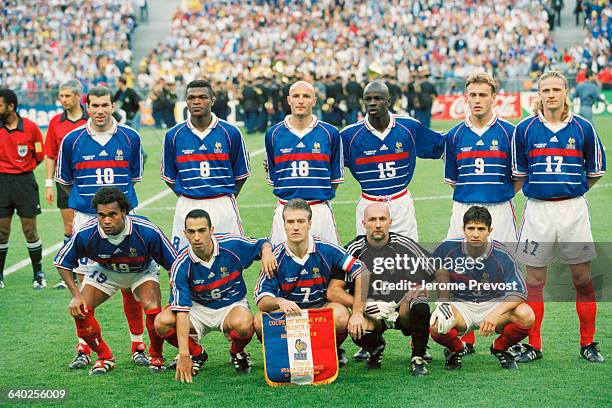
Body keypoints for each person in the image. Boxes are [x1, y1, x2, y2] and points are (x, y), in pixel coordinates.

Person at [511, 70, 606, 363]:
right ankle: (535, 346)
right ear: (538, 95)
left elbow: (595, 171)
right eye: (545, 90)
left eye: (556, 89)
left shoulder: (584, 128)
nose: (550, 95)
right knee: (535, 280)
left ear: (566, 93)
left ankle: (588, 343)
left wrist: (570, 191)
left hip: (573, 210)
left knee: (582, 278)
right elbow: (520, 172)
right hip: (538, 211)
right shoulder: (524, 130)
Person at [55, 85, 149, 370]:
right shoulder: (72, 140)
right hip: (87, 219)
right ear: (87, 106)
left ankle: (138, 344)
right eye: (94, 105)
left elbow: (134, 177)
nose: (99, 110)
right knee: (86, 286)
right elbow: (66, 180)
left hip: (123, 219)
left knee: (129, 282)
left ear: (112, 105)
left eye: (104, 105)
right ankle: (84, 347)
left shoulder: (130, 137)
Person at [54, 187, 177, 375]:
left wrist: (174, 297)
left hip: (141, 271)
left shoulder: (146, 230)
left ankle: (156, 355)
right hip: (107, 271)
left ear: (125, 212)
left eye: (112, 214)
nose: (106, 220)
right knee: (81, 310)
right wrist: (76, 295)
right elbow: (61, 262)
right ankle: (104, 357)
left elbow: (174, 264)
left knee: (153, 308)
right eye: (101, 215)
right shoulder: (87, 232)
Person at [154, 209, 277, 382]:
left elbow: (262, 243)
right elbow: (182, 311)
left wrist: (267, 253)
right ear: (185, 234)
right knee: (161, 323)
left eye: (201, 230)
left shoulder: (232, 245)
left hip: (231, 305)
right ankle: (197, 354)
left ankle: (236, 352)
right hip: (198, 308)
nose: (197, 237)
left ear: (211, 230)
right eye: (191, 232)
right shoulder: (181, 264)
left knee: (244, 324)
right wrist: (184, 354)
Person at [444, 73, 518, 353]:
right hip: (463, 207)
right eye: (472, 95)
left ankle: (504, 337)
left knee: (504, 267)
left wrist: (499, 194)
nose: (477, 100)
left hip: (499, 207)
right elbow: (453, 178)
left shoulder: (510, 132)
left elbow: (518, 175)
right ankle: (466, 335)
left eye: (482, 95)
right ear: (466, 98)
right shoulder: (455, 134)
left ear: (493, 98)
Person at [253, 199, 368, 368]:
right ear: (284, 225)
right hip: (290, 314)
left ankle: (330, 350)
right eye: (290, 222)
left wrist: (358, 312)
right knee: (259, 321)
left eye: (300, 221)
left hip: (320, 311)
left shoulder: (327, 249)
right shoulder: (275, 257)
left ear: (309, 224)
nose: (295, 227)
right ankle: (285, 355)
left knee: (341, 315)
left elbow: (362, 272)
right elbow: (261, 300)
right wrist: (280, 301)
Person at [327, 202, 435, 375]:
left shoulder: (404, 245)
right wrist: (363, 305)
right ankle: (376, 347)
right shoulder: (353, 250)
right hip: (371, 313)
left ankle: (418, 357)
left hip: (402, 310)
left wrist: (419, 289)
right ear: (363, 223)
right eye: (372, 219)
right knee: (357, 326)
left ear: (390, 222)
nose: (377, 224)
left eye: (382, 219)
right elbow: (333, 291)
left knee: (420, 301)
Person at [429, 206, 534, 370]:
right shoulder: (447, 248)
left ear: (489, 230)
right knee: (436, 324)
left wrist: (495, 313)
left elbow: (519, 292)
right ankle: (456, 349)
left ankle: (500, 348)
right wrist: (441, 301)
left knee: (526, 315)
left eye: (481, 229)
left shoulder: (502, 253)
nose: (475, 234)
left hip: (493, 305)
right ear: (463, 229)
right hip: (461, 306)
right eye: (471, 228)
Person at [341, 81, 445, 240]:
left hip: (400, 203)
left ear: (389, 101)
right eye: (368, 99)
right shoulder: (349, 135)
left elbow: (441, 145)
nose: (372, 103)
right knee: (369, 260)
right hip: (369, 203)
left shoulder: (409, 127)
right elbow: (329, 163)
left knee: (407, 259)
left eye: (378, 98)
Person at [162, 79, 251, 251]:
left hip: (222, 204)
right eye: (191, 98)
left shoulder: (230, 132)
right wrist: (189, 194)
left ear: (212, 100)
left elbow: (241, 174)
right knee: (182, 259)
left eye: (202, 97)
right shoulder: (173, 135)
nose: (196, 101)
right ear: (186, 101)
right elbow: (169, 177)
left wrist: (223, 197)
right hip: (188, 205)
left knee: (230, 257)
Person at [265, 80, 344, 246]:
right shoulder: (273, 134)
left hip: (319, 210)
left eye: (306, 96)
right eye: (296, 96)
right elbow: (274, 180)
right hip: (286, 210)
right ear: (289, 100)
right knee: (281, 267)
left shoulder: (330, 133)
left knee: (328, 267)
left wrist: (319, 196)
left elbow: (335, 179)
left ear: (314, 100)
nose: (301, 101)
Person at [44, 80, 88, 289]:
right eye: (61, 96)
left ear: (79, 97)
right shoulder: (55, 122)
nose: (63, 100)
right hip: (65, 181)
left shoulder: (91, 119)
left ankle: (97, 270)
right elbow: (50, 155)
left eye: (67, 96)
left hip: (89, 180)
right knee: (70, 227)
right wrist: (48, 183)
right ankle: (69, 272)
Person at [0, 88, 45, 289]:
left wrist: (21, 169)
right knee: (1, 232)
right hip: (1, 183)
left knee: (30, 230)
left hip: (25, 183)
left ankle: (38, 273)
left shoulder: (31, 128)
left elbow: (39, 155)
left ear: (11, 106)